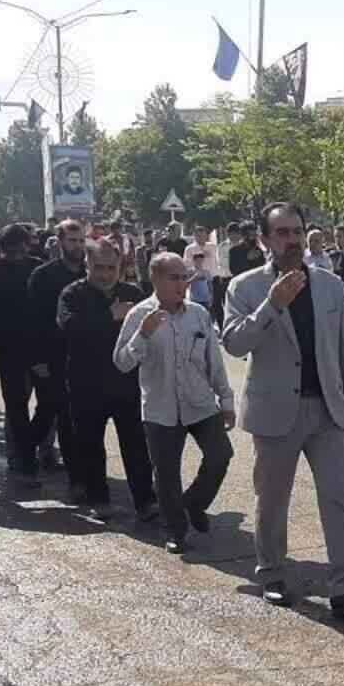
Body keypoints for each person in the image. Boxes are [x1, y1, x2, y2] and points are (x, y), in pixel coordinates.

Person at [221, 202, 344, 617]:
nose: (291, 239)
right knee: (272, 499)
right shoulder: (244, 287)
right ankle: (271, 574)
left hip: (327, 410)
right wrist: (271, 305)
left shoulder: (328, 285)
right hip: (275, 413)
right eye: (282, 232)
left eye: (296, 231)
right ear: (265, 240)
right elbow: (234, 344)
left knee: (338, 499)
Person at [114, 252, 235, 554]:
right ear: (155, 279)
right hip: (160, 407)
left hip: (200, 403)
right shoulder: (139, 315)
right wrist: (143, 334)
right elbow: (122, 363)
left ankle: (194, 502)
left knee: (220, 455)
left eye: (184, 278)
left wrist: (227, 399)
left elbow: (214, 361)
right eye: (174, 278)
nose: (181, 284)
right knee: (166, 473)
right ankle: (174, 530)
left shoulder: (198, 314)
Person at [56, 241, 156, 518]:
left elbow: (152, 331)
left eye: (110, 268)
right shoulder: (72, 294)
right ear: (87, 265)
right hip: (86, 384)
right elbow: (69, 327)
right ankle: (98, 498)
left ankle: (146, 500)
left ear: (120, 267)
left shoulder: (132, 293)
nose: (104, 274)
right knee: (89, 444)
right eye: (98, 267)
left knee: (136, 445)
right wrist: (109, 315)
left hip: (127, 384)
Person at [28, 218, 87, 490]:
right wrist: (37, 359)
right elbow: (34, 320)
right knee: (50, 410)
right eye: (72, 240)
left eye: (80, 240)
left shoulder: (90, 273)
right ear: (60, 241)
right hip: (50, 356)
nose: (77, 246)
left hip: (81, 356)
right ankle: (24, 456)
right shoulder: (43, 276)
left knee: (69, 416)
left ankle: (77, 474)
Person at [0, 224, 42, 478]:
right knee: (16, 404)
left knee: (45, 402)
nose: (19, 250)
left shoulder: (37, 267)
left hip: (36, 344)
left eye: (22, 244)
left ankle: (31, 449)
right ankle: (22, 456)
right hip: (10, 346)